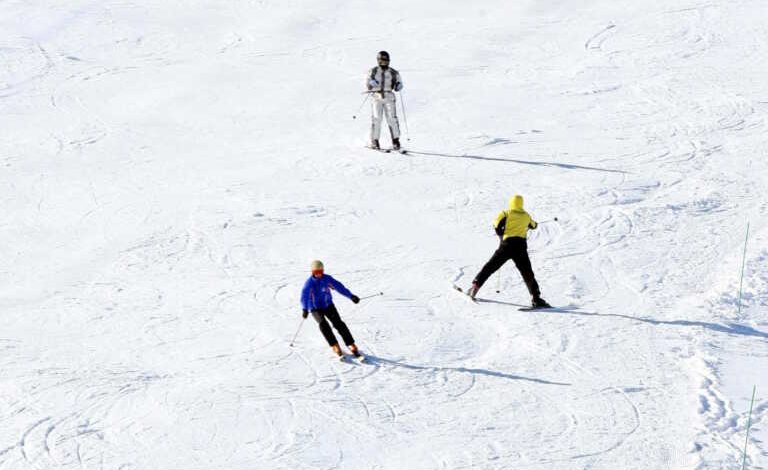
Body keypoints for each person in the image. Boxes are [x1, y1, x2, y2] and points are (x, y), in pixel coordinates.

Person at [467, 195, 551, 308]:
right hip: (520, 247)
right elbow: (534, 225)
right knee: (527, 272)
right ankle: (536, 298)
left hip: (506, 246)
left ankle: (475, 286)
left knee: (490, 266)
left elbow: (496, 225)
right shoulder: (526, 215)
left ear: (511, 203)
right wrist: (530, 224)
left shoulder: (506, 214)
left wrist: (501, 235)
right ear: (521, 203)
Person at [300, 260, 363, 358]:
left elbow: (339, 287)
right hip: (315, 308)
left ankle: (350, 343)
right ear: (312, 272)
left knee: (339, 323)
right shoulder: (309, 283)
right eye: (316, 273)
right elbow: (304, 296)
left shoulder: (327, 278)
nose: (319, 275)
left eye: (321, 272)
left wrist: (351, 296)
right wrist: (305, 308)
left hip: (328, 305)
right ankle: (334, 345)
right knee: (323, 324)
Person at [366, 50, 403, 150]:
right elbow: (368, 83)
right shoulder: (373, 71)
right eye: (383, 60)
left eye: (386, 61)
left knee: (392, 118)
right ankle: (375, 140)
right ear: (378, 60)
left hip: (389, 96)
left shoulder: (393, 72)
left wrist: (399, 86)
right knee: (377, 118)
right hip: (376, 96)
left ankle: (396, 140)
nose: (385, 62)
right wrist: (371, 83)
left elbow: (398, 83)